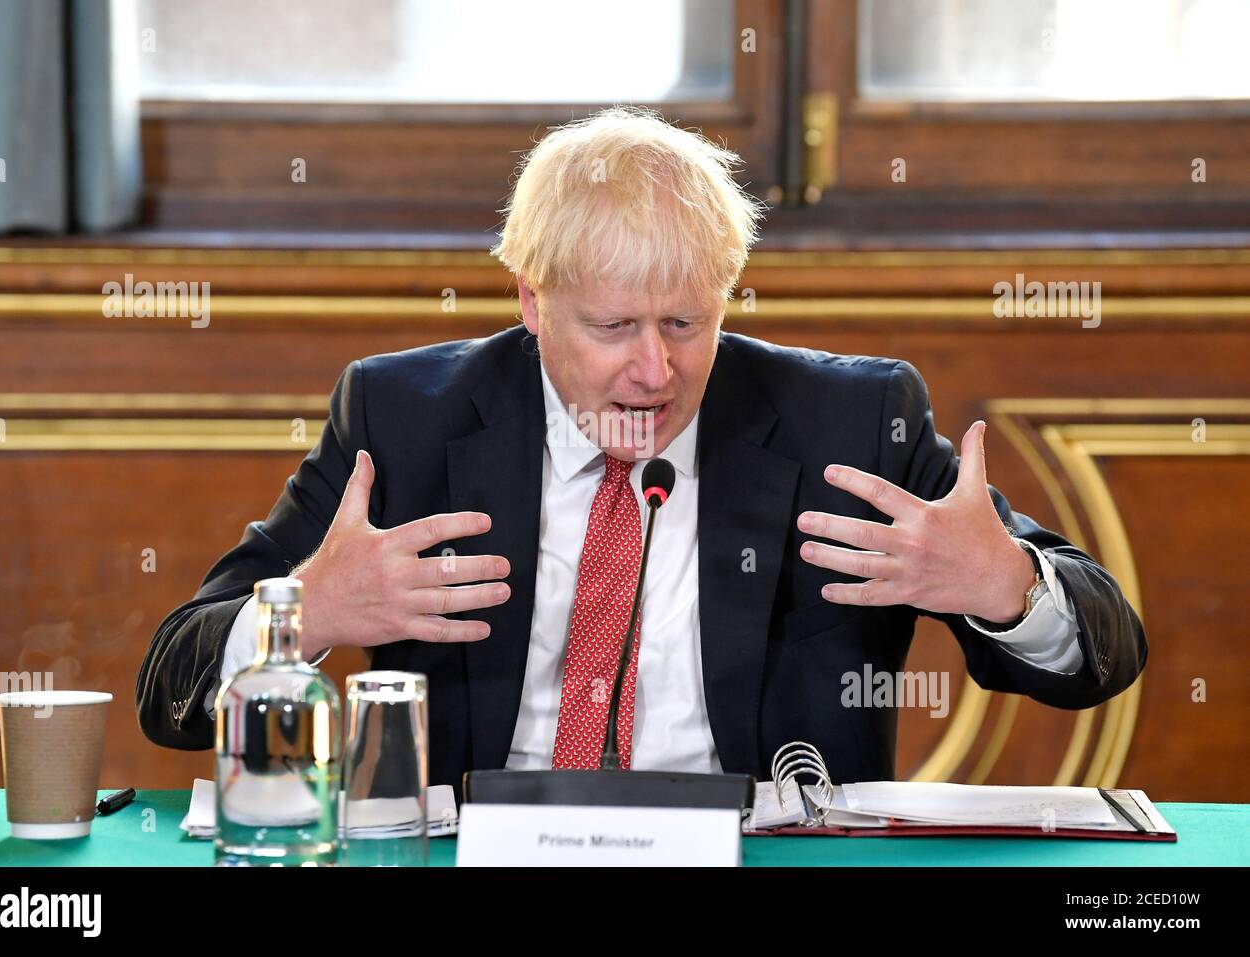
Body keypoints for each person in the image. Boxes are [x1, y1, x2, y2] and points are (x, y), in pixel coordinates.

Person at [136, 106, 1145, 789]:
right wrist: (306, 613)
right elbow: (169, 694)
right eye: (614, 329)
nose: (654, 373)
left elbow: (1101, 656)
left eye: (686, 325)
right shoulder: (403, 419)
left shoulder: (852, 422)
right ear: (531, 301)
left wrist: (1007, 585)